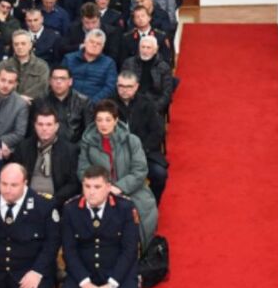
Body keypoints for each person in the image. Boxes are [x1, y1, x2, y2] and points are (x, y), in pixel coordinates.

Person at [55, 164, 143, 288]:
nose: (91, 192)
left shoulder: (125, 208)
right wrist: (85, 283)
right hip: (83, 271)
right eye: (87, 186)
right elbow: (69, 251)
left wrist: (111, 285)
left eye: (97, 187)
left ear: (108, 187)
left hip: (117, 271)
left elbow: (129, 250)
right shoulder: (70, 209)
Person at [78, 99, 158, 247]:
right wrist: (102, 188)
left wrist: (119, 187)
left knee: (142, 209)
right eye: (99, 120)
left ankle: (139, 248)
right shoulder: (87, 142)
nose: (103, 124)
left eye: (108, 119)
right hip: (98, 190)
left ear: (116, 120)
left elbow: (140, 170)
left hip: (131, 190)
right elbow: (83, 169)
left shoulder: (132, 141)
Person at [114, 71, 169, 206]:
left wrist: (141, 150)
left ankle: (151, 204)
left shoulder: (147, 103)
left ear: (136, 87)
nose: (124, 90)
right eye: (121, 86)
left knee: (160, 174)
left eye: (129, 87)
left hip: (144, 152)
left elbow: (157, 131)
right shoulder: (109, 104)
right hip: (115, 153)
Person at [11, 107, 80, 208]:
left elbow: (73, 183)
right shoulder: (23, 147)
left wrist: (54, 200)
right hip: (25, 200)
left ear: (56, 126)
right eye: (40, 124)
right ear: (35, 126)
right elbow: (15, 176)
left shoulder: (69, 150)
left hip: (56, 201)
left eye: (49, 124)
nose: (44, 128)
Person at [31, 65, 93, 144]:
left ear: (70, 81)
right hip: (46, 145)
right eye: (55, 78)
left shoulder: (83, 102)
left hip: (75, 147)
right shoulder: (39, 101)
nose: (58, 82)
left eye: (62, 78)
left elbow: (88, 132)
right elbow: (32, 130)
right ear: (50, 81)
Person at [121, 35, 174, 116]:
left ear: (155, 50)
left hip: (154, 103)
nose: (145, 50)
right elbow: (121, 85)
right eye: (143, 47)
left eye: (148, 48)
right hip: (131, 101)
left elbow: (167, 93)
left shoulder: (164, 67)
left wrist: (155, 108)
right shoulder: (129, 63)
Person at [0, 30, 51, 103]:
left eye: (23, 43)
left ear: (30, 45)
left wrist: (21, 99)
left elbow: (43, 88)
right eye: (16, 44)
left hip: (33, 105)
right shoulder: (3, 65)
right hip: (7, 104)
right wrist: (17, 99)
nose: (19, 47)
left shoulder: (42, 66)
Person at [64, 29, 118, 104]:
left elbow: (110, 87)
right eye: (91, 42)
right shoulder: (69, 58)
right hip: (69, 102)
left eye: (98, 44)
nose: (94, 45)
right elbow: (62, 80)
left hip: (96, 104)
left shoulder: (109, 63)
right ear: (85, 42)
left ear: (103, 47)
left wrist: (92, 102)